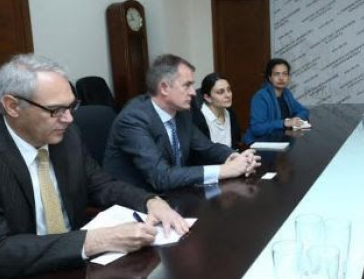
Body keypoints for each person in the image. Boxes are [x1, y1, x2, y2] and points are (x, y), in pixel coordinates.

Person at [0, 54, 189, 279]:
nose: (69, 119)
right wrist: (98, 239)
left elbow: (101, 184)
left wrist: (150, 201)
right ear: (12, 106)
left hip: (75, 276)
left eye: (71, 107)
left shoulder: (67, 137)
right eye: (55, 110)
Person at [103, 54, 259, 192]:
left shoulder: (181, 113)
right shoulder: (133, 119)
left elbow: (207, 147)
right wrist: (224, 170)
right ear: (164, 87)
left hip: (175, 193)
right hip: (137, 201)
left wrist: (235, 157)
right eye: (187, 85)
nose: (193, 92)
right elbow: (161, 177)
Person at [243, 58, 309, 145]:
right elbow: (257, 128)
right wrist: (284, 123)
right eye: (277, 74)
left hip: (279, 140)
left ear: (288, 77)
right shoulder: (260, 97)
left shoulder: (286, 93)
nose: (281, 78)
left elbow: (303, 111)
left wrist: (296, 120)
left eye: (285, 74)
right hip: (260, 143)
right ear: (270, 77)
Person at [192, 72, 241, 150]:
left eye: (229, 90)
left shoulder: (230, 113)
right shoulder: (198, 119)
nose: (228, 95)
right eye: (220, 92)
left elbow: (235, 144)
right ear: (208, 97)